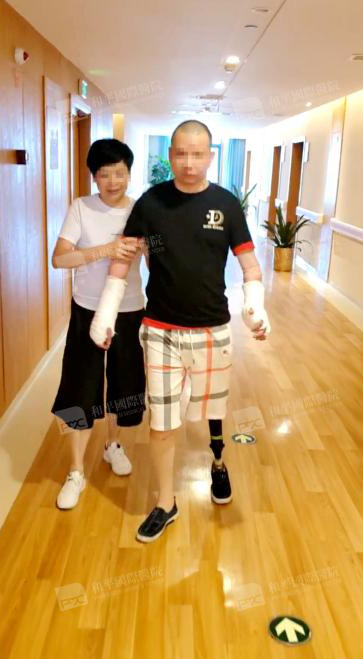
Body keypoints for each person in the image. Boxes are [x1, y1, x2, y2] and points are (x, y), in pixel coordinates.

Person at [89, 120, 270, 542]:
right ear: (170, 154)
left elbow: (249, 265)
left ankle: (218, 461)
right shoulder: (151, 204)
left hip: (212, 329)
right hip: (160, 330)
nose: (189, 162)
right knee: (163, 421)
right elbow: (124, 260)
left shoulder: (226, 205)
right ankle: (165, 503)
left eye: (198, 154)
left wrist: (255, 306)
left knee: (213, 410)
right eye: (181, 153)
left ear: (211, 155)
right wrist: (106, 313)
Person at [50, 138, 146, 510]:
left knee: (124, 382)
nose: (113, 181)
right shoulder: (81, 208)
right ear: (94, 177)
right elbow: (60, 259)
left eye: (119, 173)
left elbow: (156, 259)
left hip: (130, 309)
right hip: (87, 309)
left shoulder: (141, 210)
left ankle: (113, 445)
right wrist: (105, 250)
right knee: (81, 387)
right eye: (105, 174)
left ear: (129, 174)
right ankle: (76, 470)